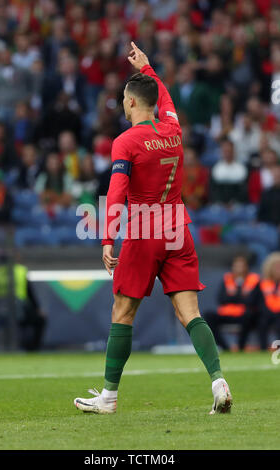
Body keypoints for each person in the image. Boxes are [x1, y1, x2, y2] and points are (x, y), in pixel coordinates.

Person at [74, 42, 232, 416]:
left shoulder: (126, 141)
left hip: (145, 231)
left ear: (130, 103)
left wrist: (107, 237)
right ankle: (218, 380)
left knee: (123, 311)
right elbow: (166, 99)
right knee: (190, 311)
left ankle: (109, 398)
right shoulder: (173, 130)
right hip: (178, 227)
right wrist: (149, 69)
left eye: (125, 101)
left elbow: (116, 193)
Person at [204, 255, 260, 351]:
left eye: (242, 266)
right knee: (208, 315)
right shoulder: (227, 279)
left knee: (250, 316)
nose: (239, 269)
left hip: (244, 315)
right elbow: (221, 299)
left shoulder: (254, 280)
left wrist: (233, 297)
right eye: (237, 266)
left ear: (247, 267)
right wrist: (241, 297)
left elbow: (253, 301)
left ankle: (240, 347)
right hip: (227, 313)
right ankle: (225, 348)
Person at [251, 252, 280, 350]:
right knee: (261, 322)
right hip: (266, 314)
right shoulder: (262, 283)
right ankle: (263, 348)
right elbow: (254, 301)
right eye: (276, 267)